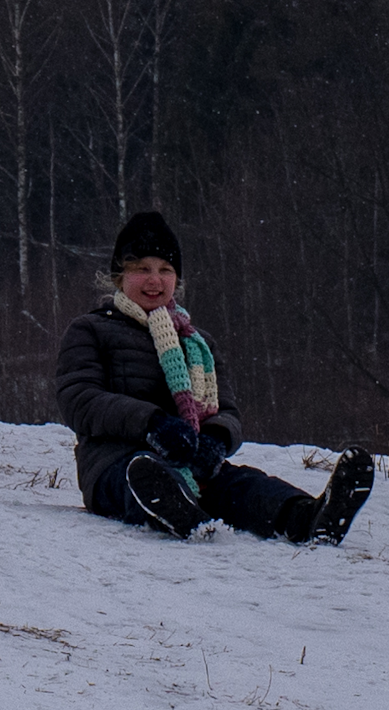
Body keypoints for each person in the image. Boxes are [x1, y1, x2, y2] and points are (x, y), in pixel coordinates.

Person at [56, 210, 373, 541]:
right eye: (142, 269)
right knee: (145, 474)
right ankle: (181, 512)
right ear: (120, 276)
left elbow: (228, 411)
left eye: (165, 270)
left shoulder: (199, 343)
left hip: (192, 462)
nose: (155, 280)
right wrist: (152, 424)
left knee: (243, 485)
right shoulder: (91, 330)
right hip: (115, 463)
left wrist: (216, 440)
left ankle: (308, 518)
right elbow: (79, 399)